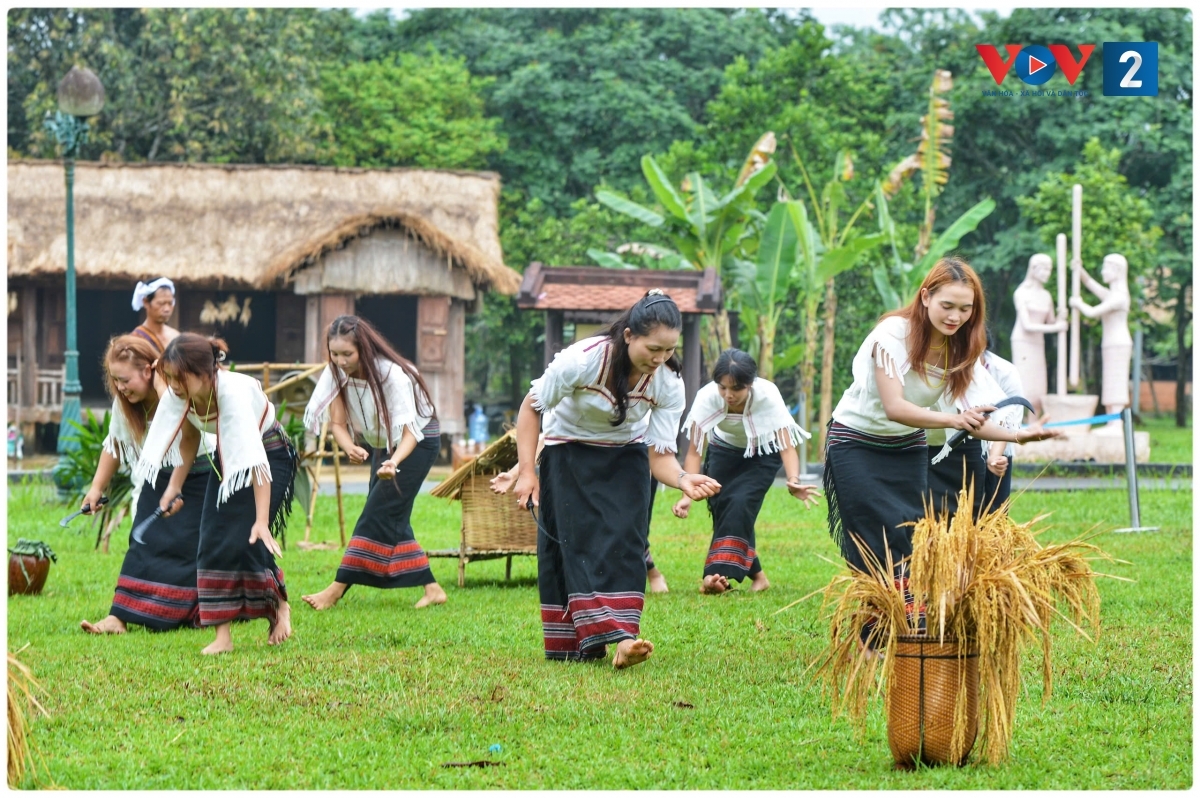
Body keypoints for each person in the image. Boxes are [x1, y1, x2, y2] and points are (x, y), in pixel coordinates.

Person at [824, 258, 1062, 647]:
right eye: (947, 306)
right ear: (925, 297)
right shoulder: (892, 335)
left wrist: (1019, 436)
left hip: (907, 447)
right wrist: (954, 420)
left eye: (965, 309)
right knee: (873, 538)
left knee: (907, 537)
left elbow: (974, 415)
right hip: (857, 443)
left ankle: (890, 632)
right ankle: (875, 637)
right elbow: (895, 407)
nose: (955, 316)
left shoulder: (962, 347)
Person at [512, 290, 721, 668]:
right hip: (568, 452)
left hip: (627, 456)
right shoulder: (582, 360)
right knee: (573, 545)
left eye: (669, 350)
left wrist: (683, 479)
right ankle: (577, 642)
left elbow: (659, 456)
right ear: (628, 335)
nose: (660, 359)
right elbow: (531, 409)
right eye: (653, 349)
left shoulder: (668, 383)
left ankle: (625, 638)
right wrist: (527, 472)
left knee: (626, 541)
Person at [134, 334, 297, 655]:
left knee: (247, 538)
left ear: (205, 373)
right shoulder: (183, 394)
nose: (173, 385)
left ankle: (279, 605)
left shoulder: (232, 395)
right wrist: (174, 486)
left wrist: (261, 521)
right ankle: (223, 637)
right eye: (169, 377)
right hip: (227, 457)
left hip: (269, 455)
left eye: (179, 378)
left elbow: (257, 463)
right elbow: (189, 437)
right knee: (211, 538)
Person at [300, 315, 447, 611]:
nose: (340, 361)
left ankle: (335, 590)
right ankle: (433, 589)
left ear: (363, 349)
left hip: (417, 442)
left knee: (376, 513)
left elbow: (410, 433)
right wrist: (350, 447)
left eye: (347, 354)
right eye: (334, 354)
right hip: (384, 444)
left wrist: (393, 462)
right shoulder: (336, 372)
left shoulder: (392, 376)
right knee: (387, 512)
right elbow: (337, 423)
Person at [79, 335, 215, 634]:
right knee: (142, 540)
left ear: (148, 371)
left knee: (192, 548)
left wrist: (162, 386)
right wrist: (96, 488)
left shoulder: (176, 392)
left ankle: (194, 609)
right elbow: (114, 444)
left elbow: (187, 435)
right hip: (159, 477)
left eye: (125, 380)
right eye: (115, 380)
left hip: (202, 477)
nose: (120, 387)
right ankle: (118, 617)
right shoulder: (125, 404)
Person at [674, 349, 821, 595]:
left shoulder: (768, 395)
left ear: (750, 384)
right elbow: (694, 452)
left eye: (736, 389)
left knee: (740, 504)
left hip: (762, 453)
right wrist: (686, 495)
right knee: (726, 511)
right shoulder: (707, 397)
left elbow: (787, 447)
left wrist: (793, 480)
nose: (728, 395)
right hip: (723, 451)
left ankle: (713, 575)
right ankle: (760, 578)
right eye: (722, 387)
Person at [491, 437, 671, 593]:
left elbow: (651, 449)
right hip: (588, 475)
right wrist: (515, 474)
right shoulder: (577, 414)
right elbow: (549, 437)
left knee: (628, 532)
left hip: (630, 468)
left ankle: (650, 572)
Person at [981, 330, 1025, 512]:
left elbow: (1009, 417)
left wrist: (994, 457)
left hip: (998, 450)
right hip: (957, 450)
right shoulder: (948, 366)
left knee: (994, 518)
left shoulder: (1005, 372)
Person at [130, 277, 180, 355]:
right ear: (146, 302)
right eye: (161, 303)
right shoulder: (137, 339)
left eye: (170, 303)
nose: (167, 309)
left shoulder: (175, 336)